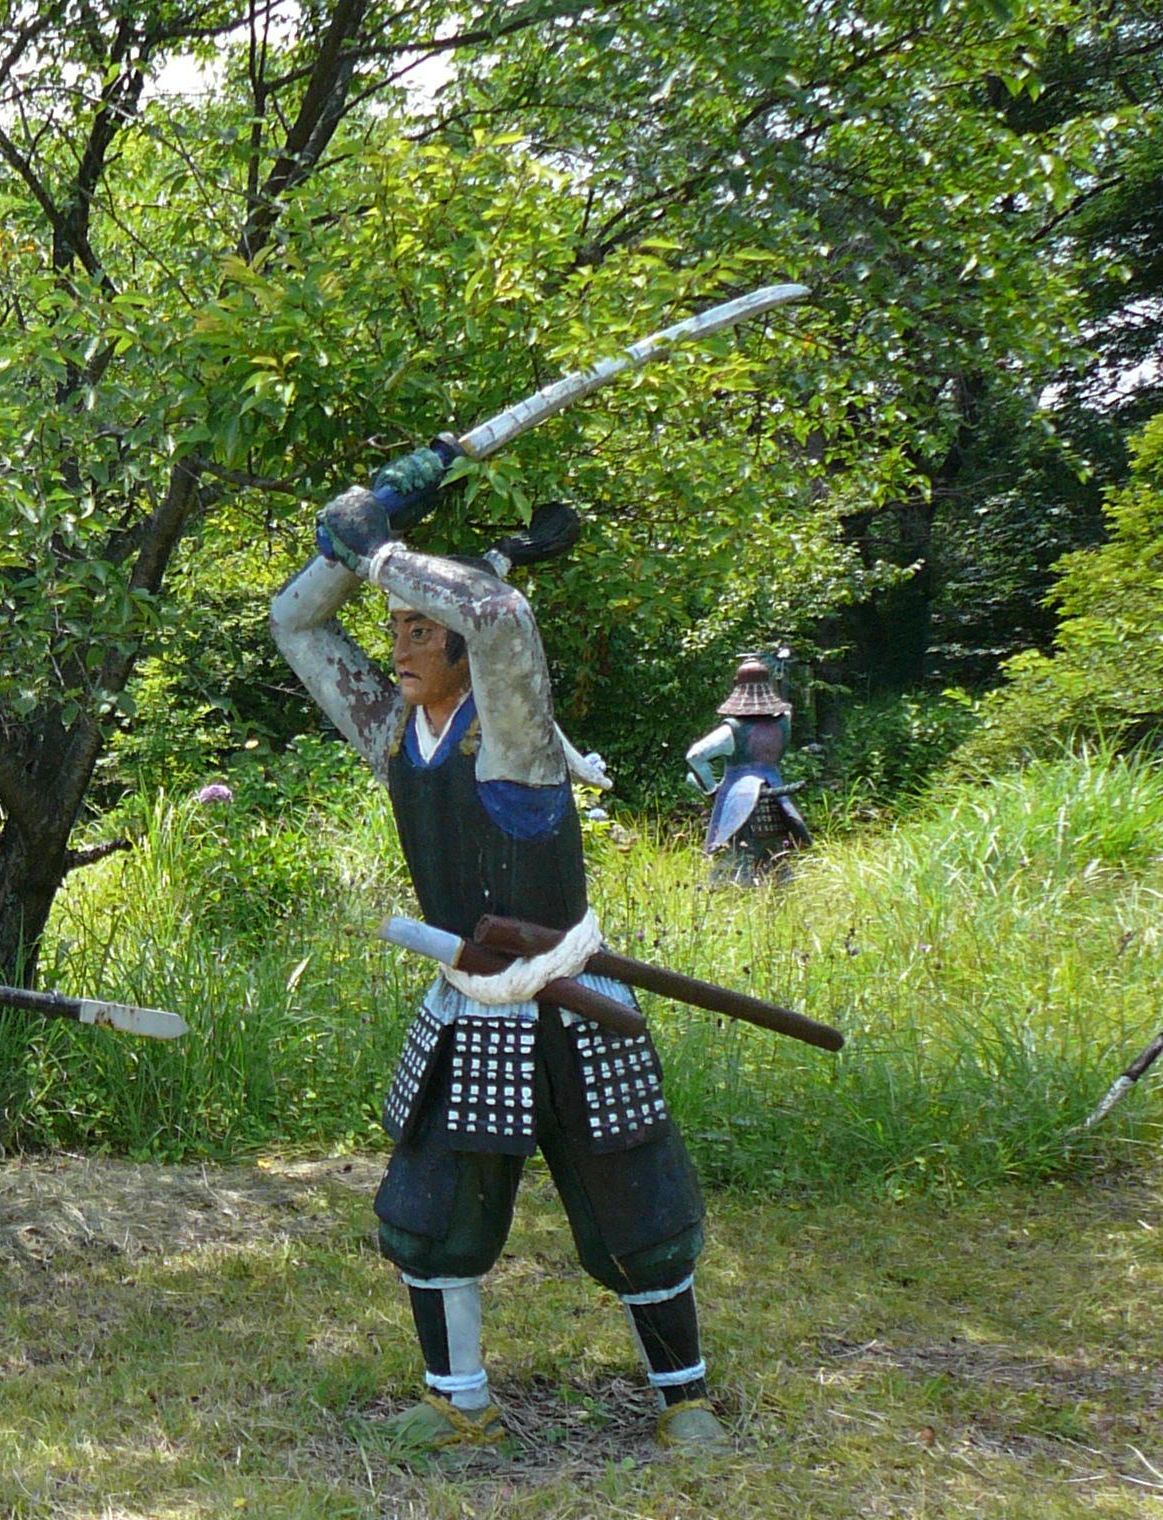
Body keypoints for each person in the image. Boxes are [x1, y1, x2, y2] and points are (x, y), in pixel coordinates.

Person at [268, 455, 728, 1454]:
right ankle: (458, 1403)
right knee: (431, 1211)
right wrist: (367, 525)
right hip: (470, 1002)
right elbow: (294, 624)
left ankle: (683, 1399)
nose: (399, 644)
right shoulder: (395, 729)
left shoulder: (512, 735)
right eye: (394, 627)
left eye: (418, 630)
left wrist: (377, 548)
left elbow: (503, 616)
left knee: (636, 1208)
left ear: (460, 647)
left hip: (572, 1002)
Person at [687, 654, 810, 884]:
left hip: (739, 801)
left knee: (736, 859)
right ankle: (783, 898)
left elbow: (695, 756)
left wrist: (711, 790)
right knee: (777, 854)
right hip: (776, 798)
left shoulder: (732, 730)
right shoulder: (784, 721)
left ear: (737, 686)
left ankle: (730, 895)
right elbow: (786, 709)